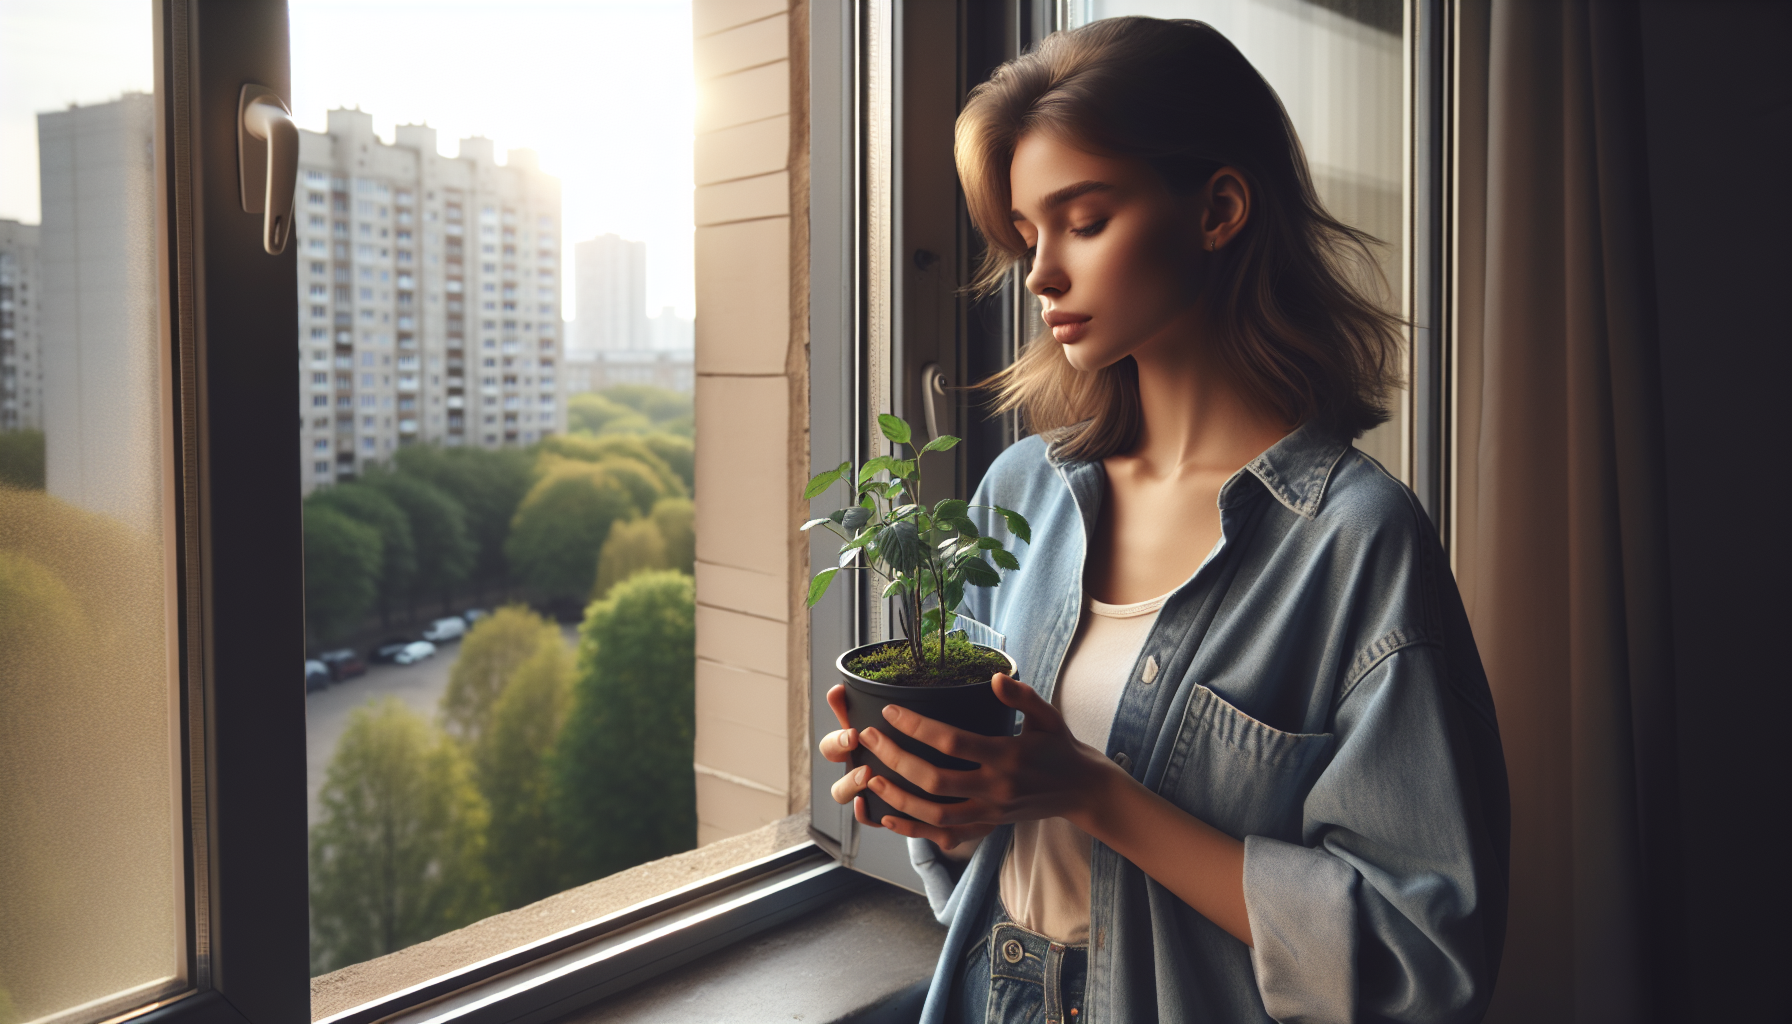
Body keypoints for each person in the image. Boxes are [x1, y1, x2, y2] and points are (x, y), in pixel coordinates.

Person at [816, 16, 1509, 1024]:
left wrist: (1091, 790)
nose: (1041, 272)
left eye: (1083, 219)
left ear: (1218, 208)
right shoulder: (1018, 495)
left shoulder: (1356, 540)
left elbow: (1423, 957)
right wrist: (933, 789)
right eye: (1026, 235)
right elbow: (985, 862)